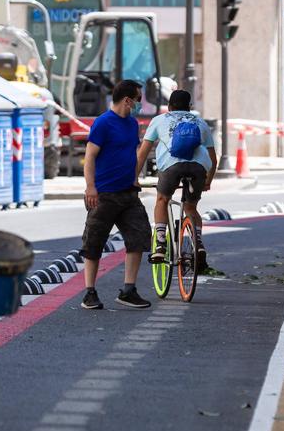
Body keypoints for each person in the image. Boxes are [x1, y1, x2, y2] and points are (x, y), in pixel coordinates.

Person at [80, 79, 152, 310]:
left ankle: (128, 290)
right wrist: (91, 187)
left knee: (138, 238)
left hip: (129, 194)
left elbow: (133, 152)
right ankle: (90, 293)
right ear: (127, 100)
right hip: (104, 194)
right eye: (138, 99)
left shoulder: (132, 124)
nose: (140, 104)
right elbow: (90, 156)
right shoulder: (103, 123)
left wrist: (135, 178)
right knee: (94, 242)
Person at [137, 89, 217, 267]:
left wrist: (134, 178)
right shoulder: (200, 122)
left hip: (171, 167)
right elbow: (213, 160)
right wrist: (207, 181)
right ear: (189, 107)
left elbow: (142, 154)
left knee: (162, 199)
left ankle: (160, 244)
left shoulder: (159, 120)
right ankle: (199, 243)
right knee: (191, 207)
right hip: (198, 168)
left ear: (169, 106)